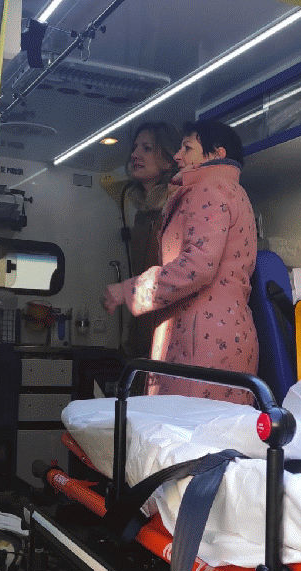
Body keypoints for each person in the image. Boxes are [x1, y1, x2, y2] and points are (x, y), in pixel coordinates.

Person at [103, 120, 259, 404]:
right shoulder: (237, 192)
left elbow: (197, 267)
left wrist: (131, 290)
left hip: (201, 339)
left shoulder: (207, 190)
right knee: (221, 427)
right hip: (230, 333)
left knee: (185, 427)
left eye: (187, 148)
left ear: (217, 154)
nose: (178, 156)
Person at [117, 122, 181, 358]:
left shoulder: (177, 206)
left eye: (146, 148)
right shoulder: (142, 215)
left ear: (168, 160)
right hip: (143, 333)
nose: (135, 154)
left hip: (170, 335)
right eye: (135, 147)